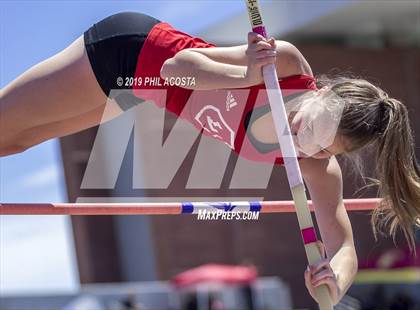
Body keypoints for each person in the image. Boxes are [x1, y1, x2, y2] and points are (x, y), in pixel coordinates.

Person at [1, 12, 419, 305]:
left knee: (14, 143)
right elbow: (175, 69)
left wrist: (335, 280)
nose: (302, 142)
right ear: (321, 93)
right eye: (307, 125)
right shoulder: (283, 67)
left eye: (324, 148)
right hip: (129, 54)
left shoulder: (314, 166)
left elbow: (341, 243)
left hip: (137, 91)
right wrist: (247, 73)